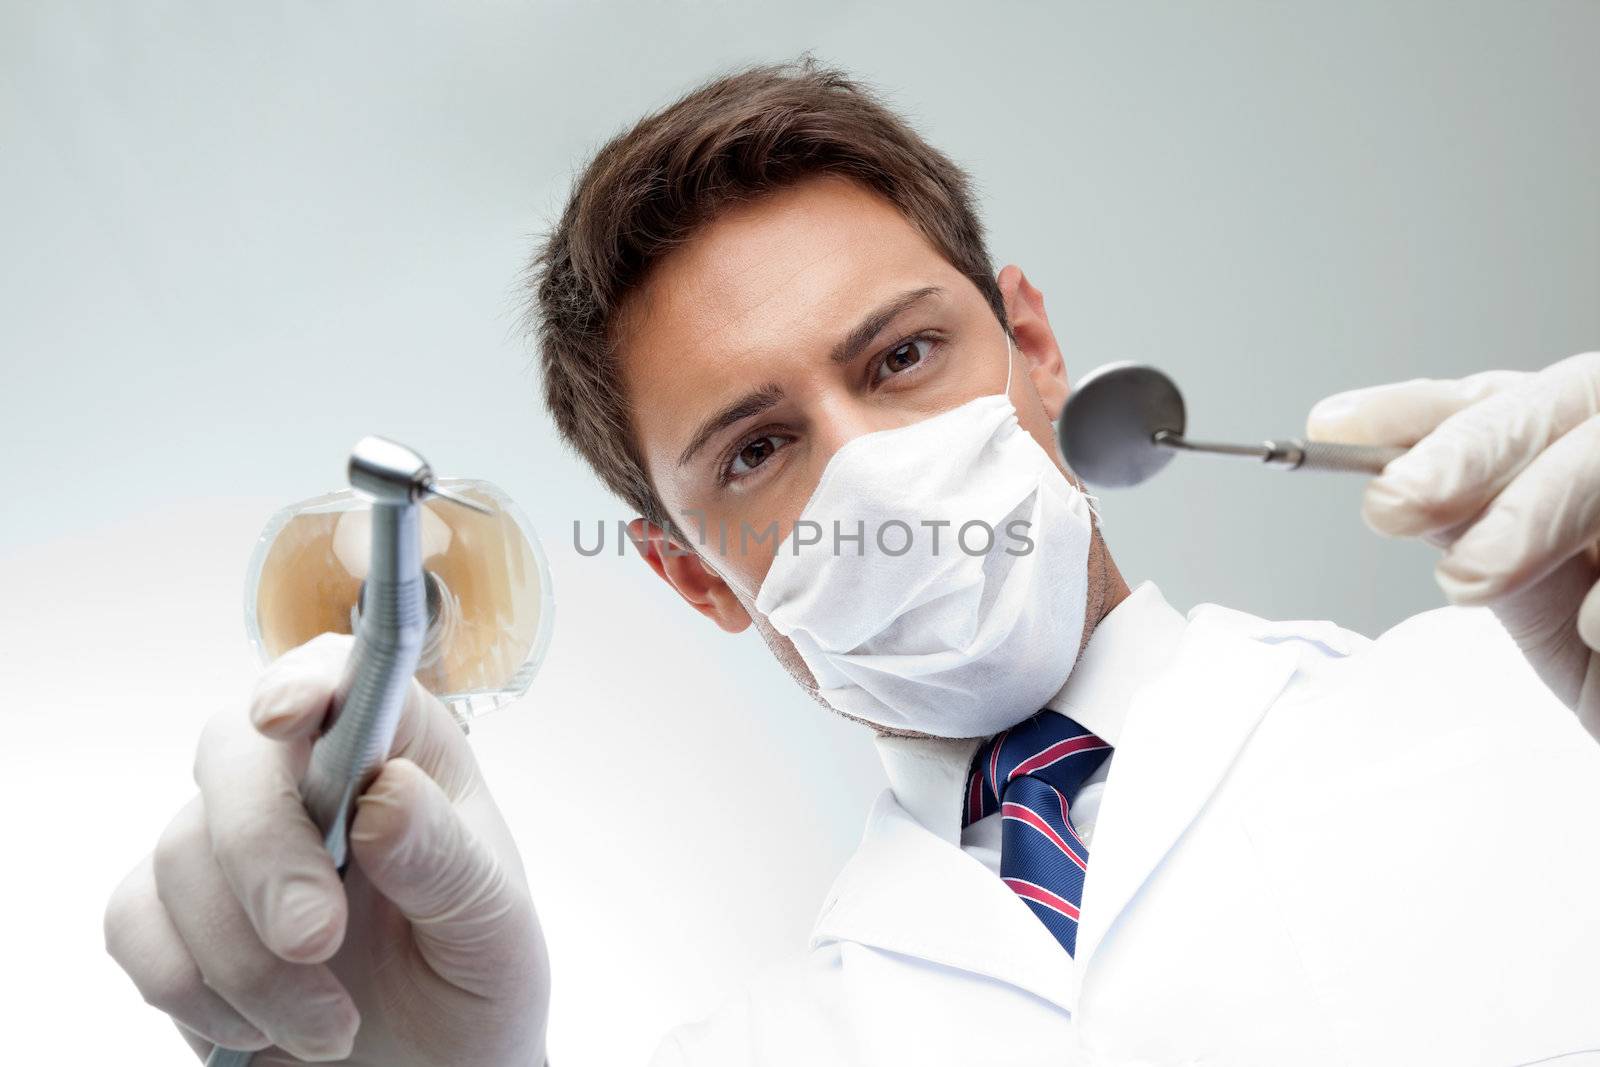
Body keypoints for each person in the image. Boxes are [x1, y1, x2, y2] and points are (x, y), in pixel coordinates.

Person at [103, 59, 1600, 1066]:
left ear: (1030, 347)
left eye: (899, 358)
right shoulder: (770, 1040)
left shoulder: (1533, 717)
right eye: (756, 452)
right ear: (695, 578)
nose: (867, 471)